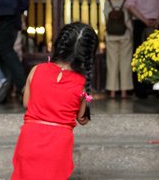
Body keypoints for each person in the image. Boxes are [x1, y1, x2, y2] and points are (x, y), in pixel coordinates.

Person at [11, 22, 98, 180]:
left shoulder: (37, 69)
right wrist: (88, 97)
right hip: (58, 144)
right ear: (88, 55)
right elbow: (82, 119)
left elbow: (26, 103)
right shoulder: (82, 84)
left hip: (30, 137)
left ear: (59, 44)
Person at [103, 0, 133, 99]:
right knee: (125, 62)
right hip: (125, 34)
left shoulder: (107, 1)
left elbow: (106, 17)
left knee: (112, 62)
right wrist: (130, 30)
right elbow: (127, 18)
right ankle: (125, 91)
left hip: (111, 35)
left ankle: (112, 91)